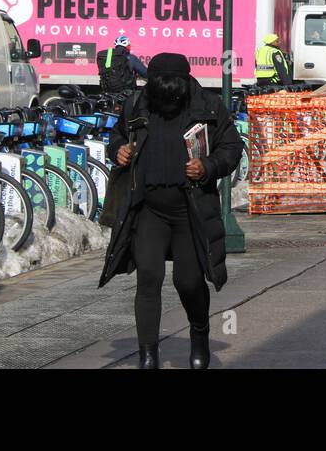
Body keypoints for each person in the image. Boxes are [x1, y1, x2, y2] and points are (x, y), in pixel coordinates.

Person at [99, 52, 243, 369]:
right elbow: (118, 136)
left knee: (188, 281)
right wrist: (118, 151)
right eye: (158, 92)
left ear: (183, 85)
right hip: (148, 208)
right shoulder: (136, 104)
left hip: (189, 210)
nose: (166, 100)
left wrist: (207, 166)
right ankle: (148, 355)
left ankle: (200, 333)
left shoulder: (207, 106)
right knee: (148, 278)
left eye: (172, 94)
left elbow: (232, 148)